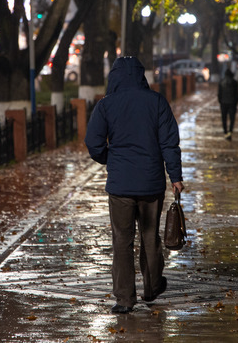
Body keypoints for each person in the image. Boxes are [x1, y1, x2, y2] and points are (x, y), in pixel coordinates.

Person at [85, 56, 185, 314]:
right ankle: (151, 288)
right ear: (142, 76)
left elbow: (93, 143)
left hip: (120, 187)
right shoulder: (157, 102)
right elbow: (169, 143)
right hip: (151, 184)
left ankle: (124, 299)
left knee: (122, 241)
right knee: (150, 237)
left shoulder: (106, 105)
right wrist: (175, 177)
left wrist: (112, 160)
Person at [218, 68, 238, 140]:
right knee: (232, 119)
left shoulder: (221, 82)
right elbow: (237, 94)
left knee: (224, 119)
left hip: (223, 103)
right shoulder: (234, 82)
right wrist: (235, 103)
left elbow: (219, 94)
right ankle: (230, 131)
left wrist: (220, 102)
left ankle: (225, 132)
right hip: (232, 103)